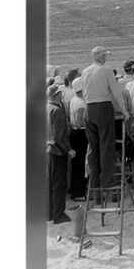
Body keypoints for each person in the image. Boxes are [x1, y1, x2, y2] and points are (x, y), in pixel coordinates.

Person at [80, 46, 128, 195]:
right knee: (106, 144)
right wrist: (124, 111)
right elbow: (116, 92)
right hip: (103, 107)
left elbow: (83, 92)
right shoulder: (106, 70)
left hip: (89, 108)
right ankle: (106, 180)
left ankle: (94, 180)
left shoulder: (85, 71)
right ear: (101, 57)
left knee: (93, 146)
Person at [46, 83, 73, 224]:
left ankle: (49, 213)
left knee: (50, 183)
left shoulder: (46, 108)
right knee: (59, 184)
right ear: (56, 95)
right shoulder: (57, 111)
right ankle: (58, 214)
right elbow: (59, 136)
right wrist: (69, 150)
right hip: (57, 151)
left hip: (48, 150)